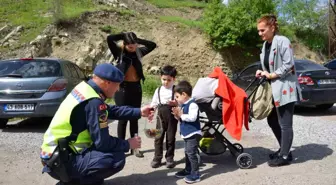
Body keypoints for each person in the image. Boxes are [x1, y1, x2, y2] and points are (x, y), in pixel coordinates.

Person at [40, 63, 154, 185]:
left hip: (53, 154)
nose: (118, 89)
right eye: (117, 85)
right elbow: (103, 143)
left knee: (110, 151)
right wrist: (128, 144)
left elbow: (109, 110)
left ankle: (81, 177)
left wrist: (139, 111)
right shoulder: (93, 102)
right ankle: (74, 182)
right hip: (61, 161)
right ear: (107, 83)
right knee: (116, 158)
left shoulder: (85, 89)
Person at [255, 14, 299, 167]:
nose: (260, 33)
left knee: (285, 124)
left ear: (272, 28)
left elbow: (289, 64)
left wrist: (272, 74)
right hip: (273, 89)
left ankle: (285, 156)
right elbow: (268, 64)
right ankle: (284, 150)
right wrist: (261, 71)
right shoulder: (266, 44)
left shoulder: (282, 41)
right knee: (272, 119)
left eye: (262, 30)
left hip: (285, 88)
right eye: (258, 31)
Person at [107, 32, 157, 158]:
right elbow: (110, 38)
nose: (132, 47)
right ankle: (121, 147)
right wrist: (124, 35)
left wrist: (137, 40)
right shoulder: (119, 52)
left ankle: (134, 148)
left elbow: (152, 45)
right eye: (129, 45)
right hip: (122, 88)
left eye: (134, 45)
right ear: (124, 44)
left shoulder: (138, 52)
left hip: (136, 87)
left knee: (135, 117)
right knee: (122, 119)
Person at [172, 80, 202, 183]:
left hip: (193, 134)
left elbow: (192, 118)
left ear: (184, 94)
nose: (176, 99)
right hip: (187, 134)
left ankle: (195, 174)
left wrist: (181, 115)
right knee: (187, 153)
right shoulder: (184, 105)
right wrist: (177, 116)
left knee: (191, 154)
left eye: (177, 96)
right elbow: (183, 118)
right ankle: (188, 170)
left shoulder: (193, 105)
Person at [150, 65, 178, 168]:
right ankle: (157, 157)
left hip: (172, 118)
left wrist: (176, 103)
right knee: (158, 137)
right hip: (160, 117)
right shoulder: (158, 90)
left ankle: (169, 158)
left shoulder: (176, 90)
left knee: (170, 138)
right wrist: (151, 112)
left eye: (169, 80)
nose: (166, 82)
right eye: (164, 79)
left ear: (173, 79)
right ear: (160, 78)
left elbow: (182, 103)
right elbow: (154, 103)